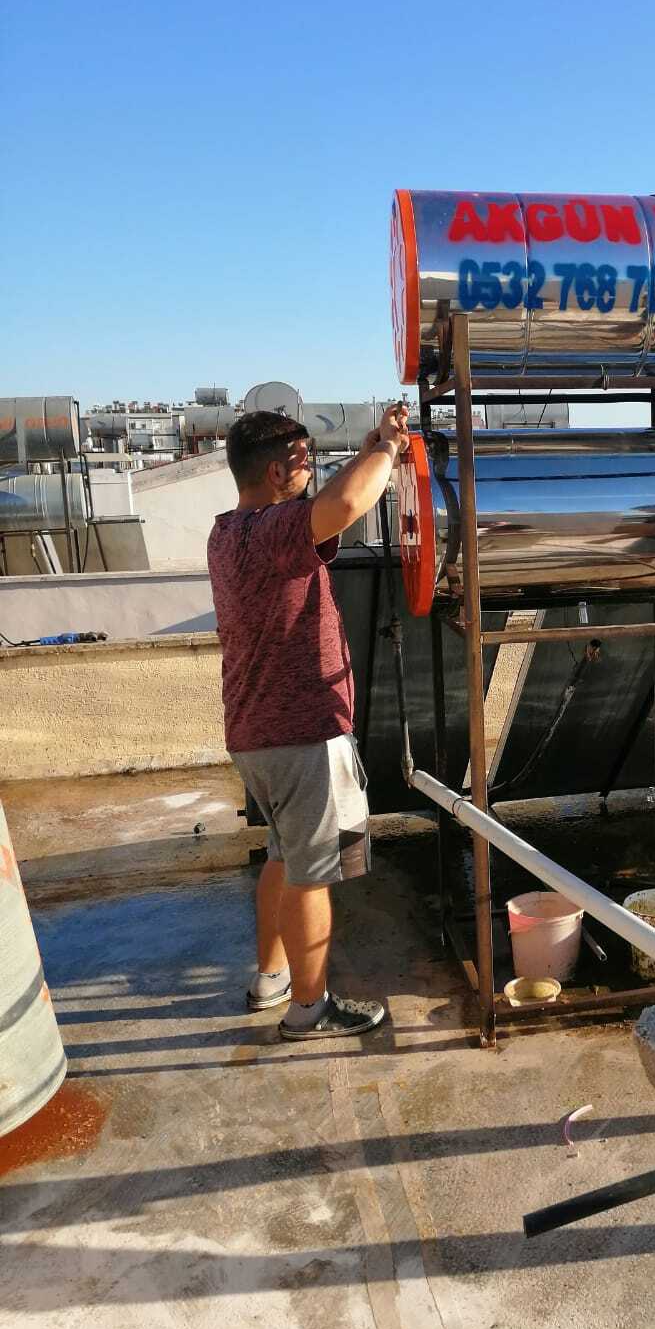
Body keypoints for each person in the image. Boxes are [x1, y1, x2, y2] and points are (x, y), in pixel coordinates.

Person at [207, 403, 409, 1038]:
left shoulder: (228, 531)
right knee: (310, 876)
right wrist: (392, 449)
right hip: (300, 736)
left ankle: (271, 977)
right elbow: (346, 504)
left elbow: (331, 500)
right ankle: (309, 1010)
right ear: (276, 471)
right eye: (303, 463)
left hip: (256, 733)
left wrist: (373, 444)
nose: (311, 471)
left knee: (281, 857)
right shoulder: (272, 533)